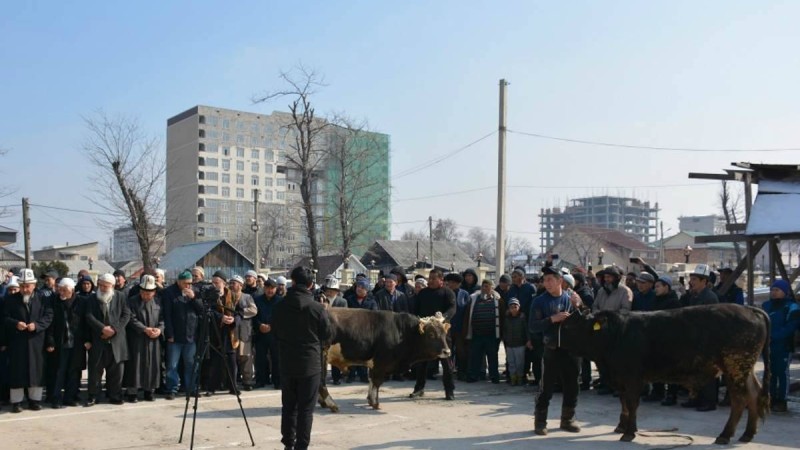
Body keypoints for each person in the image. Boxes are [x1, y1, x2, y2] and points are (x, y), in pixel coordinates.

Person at [273, 266, 331, 450]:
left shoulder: (280, 306)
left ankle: (288, 443)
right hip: (310, 364)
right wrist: (325, 312)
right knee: (306, 409)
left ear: (293, 282)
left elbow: (275, 332)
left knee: (289, 407)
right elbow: (326, 334)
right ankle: (301, 446)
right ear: (311, 285)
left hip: (287, 362)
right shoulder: (317, 308)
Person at [530, 266, 585, 436]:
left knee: (572, 385)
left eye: (550, 280)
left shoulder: (572, 298)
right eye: (544, 280)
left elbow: (586, 321)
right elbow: (533, 326)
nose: (546, 283)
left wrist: (580, 306)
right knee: (546, 387)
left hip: (572, 350)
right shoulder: (539, 301)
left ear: (560, 280)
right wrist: (552, 319)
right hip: (551, 349)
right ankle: (540, 421)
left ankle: (567, 419)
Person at [4, 269, 53, 413]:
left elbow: (48, 317)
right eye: (23, 286)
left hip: (36, 340)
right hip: (17, 341)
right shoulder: (10, 299)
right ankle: (17, 402)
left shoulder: (43, 298)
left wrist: (36, 325)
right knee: (17, 371)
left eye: (28, 286)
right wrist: (15, 324)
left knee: (36, 370)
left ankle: (34, 400)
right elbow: (5, 317)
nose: (25, 289)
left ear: (34, 285)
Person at [410, 268, 456, 400]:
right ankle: (419, 388)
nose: (430, 281)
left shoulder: (448, 293)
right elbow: (415, 310)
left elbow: (453, 308)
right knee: (422, 362)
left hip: (442, 333)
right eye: (429, 278)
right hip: (425, 333)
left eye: (433, 279)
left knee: (446, 363)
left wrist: (443, 318)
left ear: (441, 280)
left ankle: (449, 390)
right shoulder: (423, 293)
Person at [85, 273, 131, 406]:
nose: (103, 288)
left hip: (116, 340)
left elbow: (126, 314)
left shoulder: (121, 297)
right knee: (95, 371)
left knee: (116, 371)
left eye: (106, 286)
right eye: (101, 285)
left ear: (112, 286)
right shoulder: (92, 298)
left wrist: (114, 330)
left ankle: (115, 395)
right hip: (98, 339)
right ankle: (93, 395)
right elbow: (89, 316)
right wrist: (102, 329)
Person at [678, 264, 719, 411]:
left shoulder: (710, 298)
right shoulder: (693, 296)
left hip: (706, 340)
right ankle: (695, 398)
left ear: (704, 281)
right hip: (694, 339)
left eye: (695, 279)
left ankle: (709, 402)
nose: (691, 282)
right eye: (691, 278)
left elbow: (711, 322)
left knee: (707, 372)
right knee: (695, 371)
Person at [163, 271, 204, 400]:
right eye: (185, 283)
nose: (188, 286)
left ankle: (191, 388)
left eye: (190, 283)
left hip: (191, 335)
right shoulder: (169, 292)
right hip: (175, 335)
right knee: (172, 364)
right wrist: (169, 333)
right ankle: (172, 388)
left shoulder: (195, 291)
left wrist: (193, 298)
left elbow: (201, 310)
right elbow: (167, 315)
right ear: (179, 281)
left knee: (191, 363)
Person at [45, 277, 85, 408]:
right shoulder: (53, 302)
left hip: (76, 343)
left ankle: (70, 397)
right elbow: (50, 323)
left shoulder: (80, 302)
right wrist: (50, 341)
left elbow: (86, 323)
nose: (61, 293)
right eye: (60, 290)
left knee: (74, 372)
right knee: (59, 372)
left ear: (72, 290)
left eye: (65, 290)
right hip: (60, 342)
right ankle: (55, 398)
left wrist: (87, 339)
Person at [123, 275, 163, 403]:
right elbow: (131, 319)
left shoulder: (158, 302)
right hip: (137, 338)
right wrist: (144, 329)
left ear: (154, 292)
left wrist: (160, 329)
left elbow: (163, 319)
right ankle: (132, 392)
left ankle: (149, 391)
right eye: (144, 292)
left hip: (153, 339)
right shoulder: (131, 301)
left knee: (152, 364)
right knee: (135, 365)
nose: (146, 295)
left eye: (149, 293)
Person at [761, 279, 799, 413]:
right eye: (772, 290)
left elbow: (791, 326)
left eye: (777, 290)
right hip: (767, 346)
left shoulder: (791, 307)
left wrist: (774, 336)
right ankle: (770, 398)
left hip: (783, 346)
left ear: (785, 292)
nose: (774, 292)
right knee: (769, 373)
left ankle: (782, 401)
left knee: (782, 373)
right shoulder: (766, 306)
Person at [645, 275, 683, 405]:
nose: (656, 289)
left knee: (670, 369)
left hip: (669, 340)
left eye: (658, 286)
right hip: (655, 339)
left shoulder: (673, 302)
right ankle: (657, 392)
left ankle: (671, 395)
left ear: (666, 287)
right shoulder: (655, 300)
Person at [463, 279, 505, 384]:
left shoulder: (498, 300)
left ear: (492, 288)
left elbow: (502, 317)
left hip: (491, 335)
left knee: (492, 357)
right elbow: (468, 315)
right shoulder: (474, 299)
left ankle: (494, 377)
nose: (484, 288)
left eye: (487, 286)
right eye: (483, 286)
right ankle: (473, 376)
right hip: (477, 334)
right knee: (475, 356)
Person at [254, 277, 284, 389]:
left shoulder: (281, 300)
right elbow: (254, 316)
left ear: (276, 289)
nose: (269, 290)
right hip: (260, 333)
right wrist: (259, 325)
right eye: (267, 288)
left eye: (272, 288)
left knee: (276, 358)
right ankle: (261, 380)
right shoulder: (257, 300)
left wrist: (272, 326)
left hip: (275, 334)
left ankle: (277, 381)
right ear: (264, 288)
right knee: (260, 358)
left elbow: (283, 318)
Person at [230, 275, 258, 391]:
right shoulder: (227, 296)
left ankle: (248, 381)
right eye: (231, 283)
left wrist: (240, 312)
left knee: (246, 357)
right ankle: (232, 381)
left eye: (234, 283)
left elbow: (254, 310)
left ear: (240, 285)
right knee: (232, 357)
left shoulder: (247, 297)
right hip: (231, 332)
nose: (232, 285)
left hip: (245, 332)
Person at [444, 272, 471, 381]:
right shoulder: (445, 293)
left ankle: (461, 371)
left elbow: (468, 310)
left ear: (458, 284)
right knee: (448, 351)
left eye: (453, 283)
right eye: (449, 282)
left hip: (460, 328)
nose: (451, 284)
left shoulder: (464, 294)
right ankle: (448, 372)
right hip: (447, 328)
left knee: (461, 351)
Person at [503, 298, 528, 386]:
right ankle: (513, 378)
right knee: (511, 362)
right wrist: (505, 339)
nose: (513, 309)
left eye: (515, 307)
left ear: (519, 307)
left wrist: (528, 340)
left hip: (520, 344)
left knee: (520, 362)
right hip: (509, 344)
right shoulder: (507, 319)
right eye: (511, 307)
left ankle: (520, 378)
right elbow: (504, 330)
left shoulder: (522, 318)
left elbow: (526, 330)